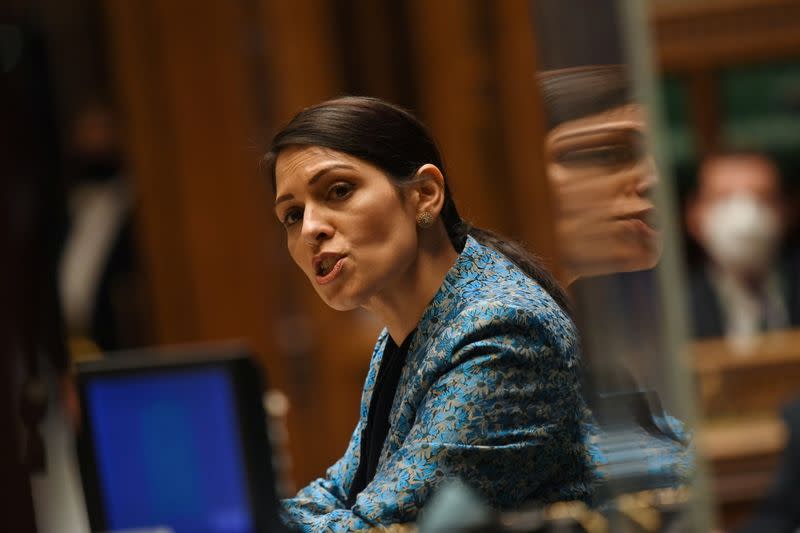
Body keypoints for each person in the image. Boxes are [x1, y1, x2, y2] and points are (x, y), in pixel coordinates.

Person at [264, 97, 593, 531]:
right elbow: (344, 487)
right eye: (292, 215)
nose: (310, 229)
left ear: (425, 194)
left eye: (338, 191)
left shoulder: (502, 330)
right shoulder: (413, 327)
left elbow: (380, 525)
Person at [685, 151, 799, 340]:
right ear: (694, 214)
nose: (745, 219)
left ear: (786, 210)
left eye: (762, 198)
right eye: (723, 198)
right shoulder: (671, 309)